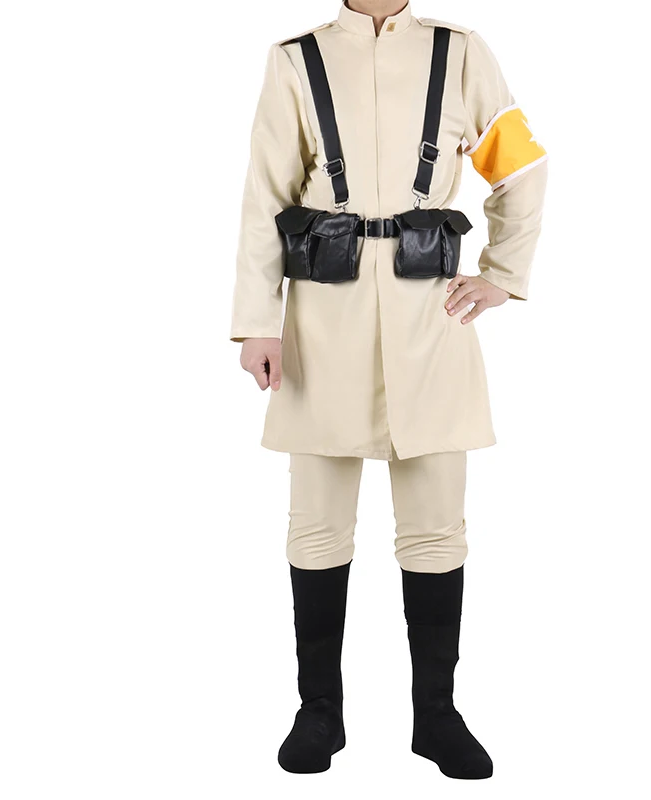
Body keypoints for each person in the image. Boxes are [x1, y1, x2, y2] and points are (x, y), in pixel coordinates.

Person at [230, 0, 547, 780]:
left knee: (437, 526)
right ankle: (319, 712)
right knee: (317, 526)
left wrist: (503, 274)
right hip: (322, 323)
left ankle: (436, 716)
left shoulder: (461, 52)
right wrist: (258, 323)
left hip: (430, 319)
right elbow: (265, 196)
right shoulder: (296, 58)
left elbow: (522, 165)